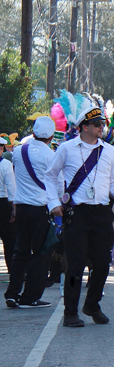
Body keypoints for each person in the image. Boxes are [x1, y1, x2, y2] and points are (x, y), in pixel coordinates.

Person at [46, 103, 114, 328]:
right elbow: (50, 176)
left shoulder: (109, 150)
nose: (101, 127)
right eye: (96, 124)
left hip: (102, 214)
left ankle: (92, 305)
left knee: (102, 264)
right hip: (77, 213)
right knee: (76, 264)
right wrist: (54, 203)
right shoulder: (67, 148)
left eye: (102, 123)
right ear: (83, 127)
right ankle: (70, 312)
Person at [4, 116, 55, 309]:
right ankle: (31, 296)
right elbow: (56, 184)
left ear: (33, 133)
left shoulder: (18, 151)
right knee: (41, 253)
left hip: (21, 208)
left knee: (20, 252)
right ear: (50, 136)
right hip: (40, 210)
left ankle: (12, 293)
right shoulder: (51, 156)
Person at [0, 136, 16, 275]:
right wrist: (14, 208)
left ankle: (13, 270)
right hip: (3, 203)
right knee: (9, 240)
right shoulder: (5, 164)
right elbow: (11, 187)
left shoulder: (6, 164)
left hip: (4, 201)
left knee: (9, 239)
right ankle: (13, 272)